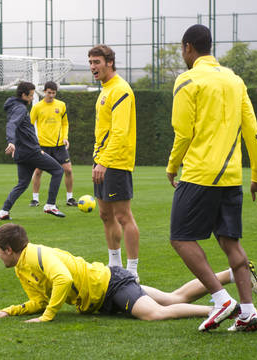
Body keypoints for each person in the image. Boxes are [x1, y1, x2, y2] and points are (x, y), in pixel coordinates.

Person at [166, 24, 257, 332]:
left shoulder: (187, 79)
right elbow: (252, 130)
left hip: (200, 173)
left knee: (180, 237)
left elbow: (183, 132)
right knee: (229, 242)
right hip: (232, 176)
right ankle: (248, 311)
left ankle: (222, 299)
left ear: (188, 48)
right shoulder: (236, 80)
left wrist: (173, 166)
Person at [0, 224, 257, 322]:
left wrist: (47, 317)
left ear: (9, 249)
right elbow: (39, 301)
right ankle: (232, 274)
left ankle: (223, 309)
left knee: (154, 313)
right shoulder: (22, 268)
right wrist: (8, 311)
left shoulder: (39, 255)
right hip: (107, 290)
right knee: (172, 297)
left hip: (110, 286)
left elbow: (62, 280)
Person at [88, 45, 141, 280]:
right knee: (105, 215)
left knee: (123, 216)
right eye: (90, 62)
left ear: (109, 62)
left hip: (116, 163)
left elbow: (119, 133)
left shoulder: (120, 89)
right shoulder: (105, 90)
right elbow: (104, 130)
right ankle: (114, 266)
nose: (92, 67)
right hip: (101, 161)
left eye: (96, 62)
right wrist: (97, 159)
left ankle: (132, 271)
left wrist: (105, 162)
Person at [0, 82, 65, 220]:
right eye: (31, 96)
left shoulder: (13, 106)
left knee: (22, 184)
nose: (32, 98)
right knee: (58, 171)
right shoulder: (20, 109)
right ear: (24, 95)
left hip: (21, 153)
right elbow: (11, 124)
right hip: (30, 152)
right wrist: (11, 141)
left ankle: (4, 211)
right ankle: (50, 205)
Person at [29, 81, 77, 207]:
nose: (51, 95)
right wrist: (33, 142)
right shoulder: (37, 107)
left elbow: (65, 123)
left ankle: (70, 198)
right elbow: (29, 124)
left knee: (68, 170)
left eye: (53, 93)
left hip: (59, 145)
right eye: (49, 93)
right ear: (44, 92)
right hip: (43, 145)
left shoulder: (61, 105)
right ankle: (35, 199)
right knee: (38, 171)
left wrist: (65, 137)